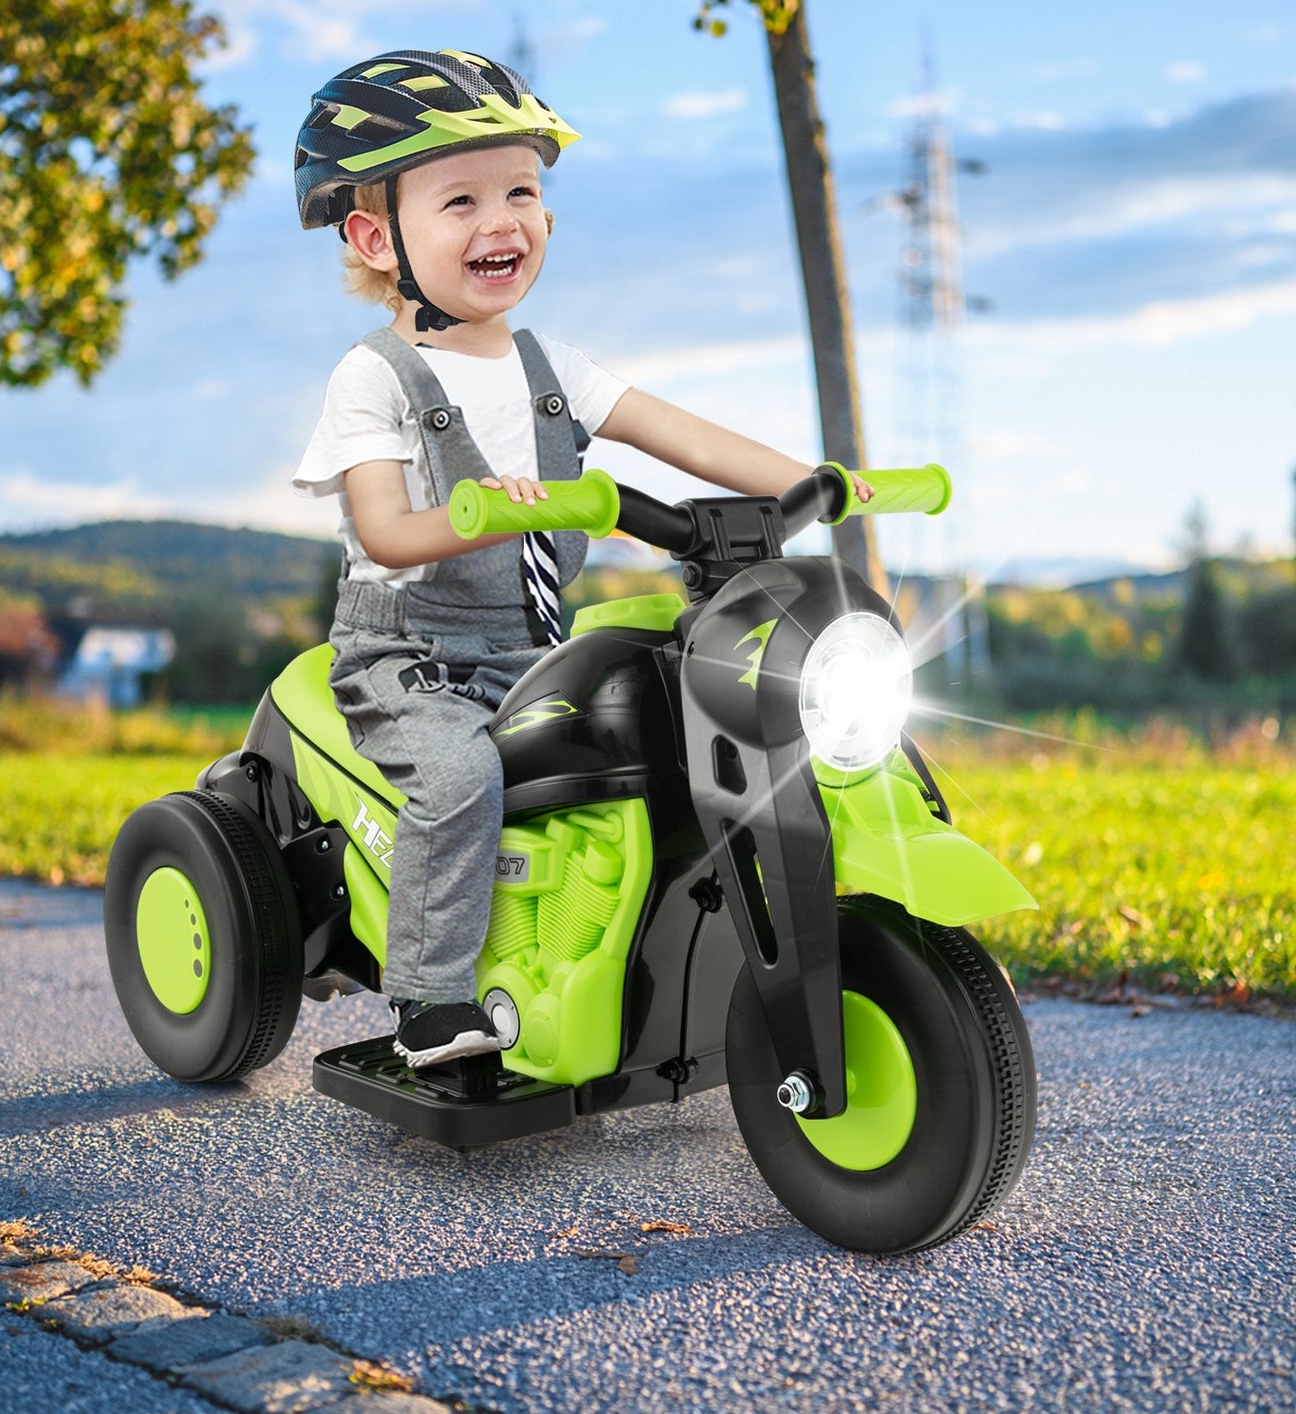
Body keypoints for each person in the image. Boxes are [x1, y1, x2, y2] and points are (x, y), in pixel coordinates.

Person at [291, 48, 871, 1069]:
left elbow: (681, 435)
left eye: (520, 190)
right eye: (459, 200)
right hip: (408, 658)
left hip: (526, 645)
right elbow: (383, 528)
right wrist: (475, 514)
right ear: (377, 237)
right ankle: (431, 998)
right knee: (460, 770)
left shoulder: (550, 369)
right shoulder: (370, 378)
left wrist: (817, 480)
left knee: (666, 706)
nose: (500, 220)